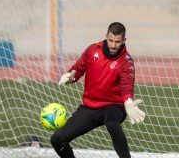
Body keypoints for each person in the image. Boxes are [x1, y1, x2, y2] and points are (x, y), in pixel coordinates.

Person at [51, 22, 146, 158]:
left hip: (114, 106)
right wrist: (71, 76)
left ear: (124, 40)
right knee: (57, 140)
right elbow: (78, 69)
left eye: (117, 42)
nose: (113, 45)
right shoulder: (92, 50)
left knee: (112, 124)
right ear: (106, 36)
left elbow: (127, 85)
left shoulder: (126, 61)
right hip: (89, 107)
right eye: (111, 40)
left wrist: (128, 103)